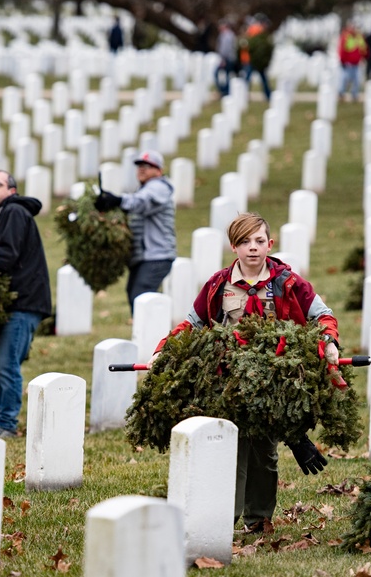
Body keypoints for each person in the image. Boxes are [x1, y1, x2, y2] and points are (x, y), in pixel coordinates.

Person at [153, 213, 341, 532]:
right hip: (228, 380)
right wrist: (164, 348)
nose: (252, 248)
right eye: (244, 242)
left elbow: (322, 315)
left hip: (271, 381)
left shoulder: (290, 284)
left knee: (263, 451)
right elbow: (192, 323)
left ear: (270, 244)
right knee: (231, 447)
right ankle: (225, 518)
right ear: (233, 247)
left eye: (258, 241)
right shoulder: (217, 284)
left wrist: (329, 341)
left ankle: (258, 518)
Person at [0, 170, 52, 438]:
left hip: (23, 302)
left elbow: (5, 256)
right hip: (11, 302)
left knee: (7, 364)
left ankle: (7, 424)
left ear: (12, 190)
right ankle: (2, 421)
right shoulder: (5, 212)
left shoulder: (13, 212)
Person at [94, 150, 177, 313]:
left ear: (159, 170)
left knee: (141, 296)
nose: (142, 169)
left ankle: (152, 336)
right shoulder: (144, 189)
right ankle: (152, 334)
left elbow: (141, 203)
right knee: (136, 294)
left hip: (157, 256)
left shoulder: (159, 187)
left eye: (148, 165)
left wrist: (117, 200)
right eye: (139, 165)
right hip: (145, 257)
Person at [244, 14, 274, 101]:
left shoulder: (253, 30)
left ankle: (268, 95)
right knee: (250, 78)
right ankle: (268, 95)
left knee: (257, 78)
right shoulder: (256, 30)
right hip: (252, 59)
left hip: (254, 59)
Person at [338, 21, 368, 102]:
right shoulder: (346, 37)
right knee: (345, 79)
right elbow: (342, 50)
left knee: (357, 80)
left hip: (357, 63)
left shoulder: (359, 37)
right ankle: (341, 93)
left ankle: (354, 95)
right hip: (348, 63)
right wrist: (342, 60)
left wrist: (366, 56)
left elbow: (364, 48)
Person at [214, 20, 238, 96]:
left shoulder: (227, 35)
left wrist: (223, 60)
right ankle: (225, 91)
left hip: (227, 59)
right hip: (228, 59)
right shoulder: (227, 35)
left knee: (219, 74)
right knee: (226, 75)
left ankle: (225, 91)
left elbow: (225, 49)